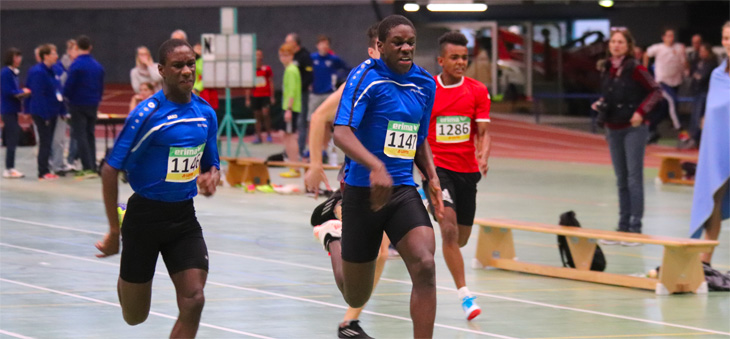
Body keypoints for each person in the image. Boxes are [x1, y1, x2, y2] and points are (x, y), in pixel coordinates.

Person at [313, 15, 443, 338]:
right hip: (363, 192)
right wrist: (375, 166)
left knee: (425, 264)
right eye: (397, 42)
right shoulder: (365, 77)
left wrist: (432, 176)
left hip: (402, 190)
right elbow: (340, 133)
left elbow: (418, 137)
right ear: (380, 46)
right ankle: (331, 236)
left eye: (411, 42)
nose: (406, 48)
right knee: (356, 294)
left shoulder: (425, 84)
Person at [95, 39, 220, 338]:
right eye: (178, 66)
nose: (187, 71)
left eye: (191, 64)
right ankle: (127, 268)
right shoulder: (147, 115)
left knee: (195, 299)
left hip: (183, 219)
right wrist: (114, 231)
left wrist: (211, 176)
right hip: (144, 219)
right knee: (135, 317)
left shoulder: (205, 113)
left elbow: (210, 163)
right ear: (162, 70)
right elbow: (110, 169)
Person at [305, 23, 391, 338]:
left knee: (381, 255)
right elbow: (318, 117)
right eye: (384, 47)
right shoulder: (358, 82)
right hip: (356, 183)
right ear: (373, 51)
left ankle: (349, 322)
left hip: (390, 185)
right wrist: (315, 165)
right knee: (373, 255)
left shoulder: (406, 84)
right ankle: (331, 236)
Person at [423, 31, 492, 321]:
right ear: (441, 60)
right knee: (448, 229)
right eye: (455, 57)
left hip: (467, 172)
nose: (461, 62)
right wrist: (427, 172)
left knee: (460, 239)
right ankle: (465, 295)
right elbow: (421, 135)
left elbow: (484, 132)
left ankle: (439, 210)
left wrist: (484, 154)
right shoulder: (428, 90)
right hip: (438, 170)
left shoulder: (477, 90)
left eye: (464, 57)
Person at [593, 28, 662, 244]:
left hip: (633, 129)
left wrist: (640, 112)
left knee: (634, 178)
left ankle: (635, 228)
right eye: (613, 41)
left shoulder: (636, 68)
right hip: (612, 127)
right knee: (621, 179)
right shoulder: (607, 69)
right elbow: (610, 94)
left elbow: (656, 91)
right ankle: (622, 227)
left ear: (628, 46)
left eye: (620, 42)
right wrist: (601, 104)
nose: (616, 45)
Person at [690, 21, 730, 265]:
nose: (729, 43)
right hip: (719, 150)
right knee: (713, 200)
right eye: (726, 38)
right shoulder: (717, 75)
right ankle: (705, 261)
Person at [63, 35, 105, 178]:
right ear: (90, 47)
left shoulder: (75, 65)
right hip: (93, 104)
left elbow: (69, 86)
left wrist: (66, 97)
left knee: (80, 135)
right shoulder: (98, 66)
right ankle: (92, 165)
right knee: (90, 134)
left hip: (78, 104)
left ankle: (87, 167)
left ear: (77, 47)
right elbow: (100, 86)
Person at [27, 44, 64, 180]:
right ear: (46, 56)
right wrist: (45, 115)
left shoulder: (54, 70)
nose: (56, 56)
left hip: (53, 111)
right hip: (43, 113)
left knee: (48, 141)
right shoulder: (38, 72)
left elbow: (58, 90)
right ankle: (42, 171)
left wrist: (62, 110)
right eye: (54, 53)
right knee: (45, 141)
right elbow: (38, 95)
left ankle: (46, 169)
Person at [310, 35, 349, 164]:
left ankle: (329, 150)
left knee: (331, 124)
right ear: (317, 45)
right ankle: (317, 152)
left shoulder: (334, 59)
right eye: (322, 44)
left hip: (329, 94)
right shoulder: (313, 59)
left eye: (326, 44)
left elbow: (347, 68)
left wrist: (340, 79)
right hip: (315, 94)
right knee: (314, 121)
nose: (324, 46)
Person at [644, 28, 686, 143]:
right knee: (673, 101)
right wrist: (645, 71)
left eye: (672, 35)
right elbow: (646, 54)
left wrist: (685, 71)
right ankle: (680, 129)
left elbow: (684, 63)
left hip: (675, 82)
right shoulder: (658, 48)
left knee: (664, 110)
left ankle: (651, 129)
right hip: (662, 82)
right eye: (668, 35)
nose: (670, 38)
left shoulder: (679, 48)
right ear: (663, 37)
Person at [1, 48, 31, 178]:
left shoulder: (13, 73)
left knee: (13, 138)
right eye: (16, 56)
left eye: (20, 56)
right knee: (12, 139)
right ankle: (9, 168)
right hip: (8, 109)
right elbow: (8, 91)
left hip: (12, 109)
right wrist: (22, 92)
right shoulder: (6, 73)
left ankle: (10, 167)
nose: (19, 59)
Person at [50, 40, 78, 176]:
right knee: (57, 137)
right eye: (74, 49)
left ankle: (65, 161)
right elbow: (60, 84)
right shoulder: (60, 66)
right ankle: (55, 162)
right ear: (69, 51)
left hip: (72, 103)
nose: (76, 53)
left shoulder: (78, 65)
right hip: (61, 104)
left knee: (66, 136)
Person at [284, 33, 313, 158]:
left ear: (295, 44)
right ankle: (290, 151)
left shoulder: (304, 56)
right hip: (292, 96)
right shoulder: (291, 59)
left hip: (301, 94)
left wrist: (298, 89)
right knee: (290, 126)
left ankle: (299, 151)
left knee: (301, 123)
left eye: (288, 42)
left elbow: (309, 76)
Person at [685, 43, 718, 148]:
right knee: (695, 116)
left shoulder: (711, 63)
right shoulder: (698, 61)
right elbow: (692, 73)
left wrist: (697, 75)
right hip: (697, 92)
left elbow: (701, 77)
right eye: (700, 51)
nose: (701, 53)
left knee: (700, 116)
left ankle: (696, 138)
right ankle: (693, 138)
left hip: (705, 92)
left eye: (704, 51)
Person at [278, 43, 302, 177]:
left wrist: (288, 109)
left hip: (290, 108)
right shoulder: (291, 69)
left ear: (291, 56)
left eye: (286, 55)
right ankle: (293, 165)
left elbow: (291, 91)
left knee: (290, 137)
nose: (283, 58)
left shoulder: (291, 70)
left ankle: (295, 167)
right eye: (281, 55)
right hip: (288, 107)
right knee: (286, 135)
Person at [245, 49, 275, 144]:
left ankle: (269, 135)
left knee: (266, 114)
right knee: (257, 116)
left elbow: (271, 82)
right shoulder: (251, 70)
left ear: (262, 57)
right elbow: (248, 86)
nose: (258, 57)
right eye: (256, 55)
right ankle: (258, 137)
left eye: (259, 55)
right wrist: (248, 98)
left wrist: (272, 96)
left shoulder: (266, 69)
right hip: (255, 96)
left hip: (265, 95)